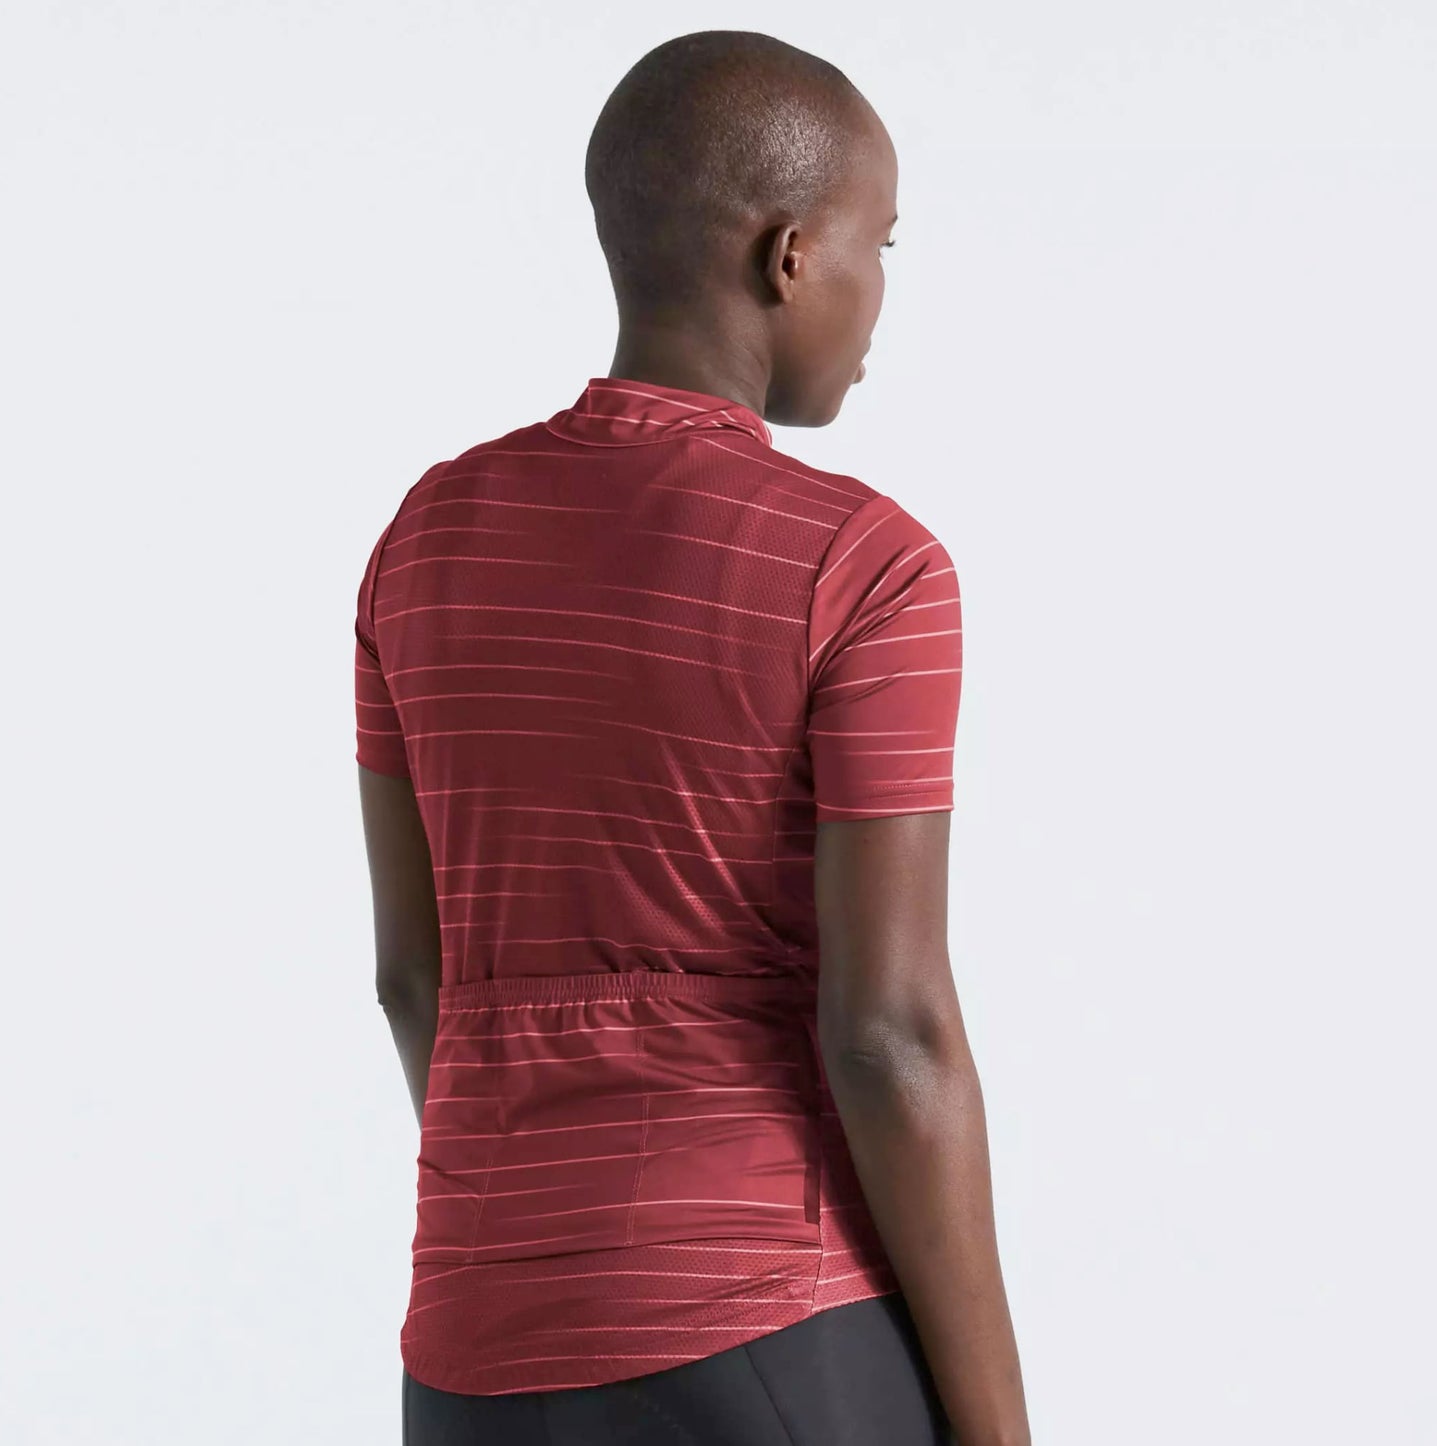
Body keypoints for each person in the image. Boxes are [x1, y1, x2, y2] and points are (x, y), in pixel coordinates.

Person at [355, 28, 1031, 1446]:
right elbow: (890, 1032)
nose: (878, 293)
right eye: (878, 245)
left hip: (471, 1349)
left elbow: (416, 979)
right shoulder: (861, 566)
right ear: (790, 256)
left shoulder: (426, 541)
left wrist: (550, 1227)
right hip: (769, 1322)